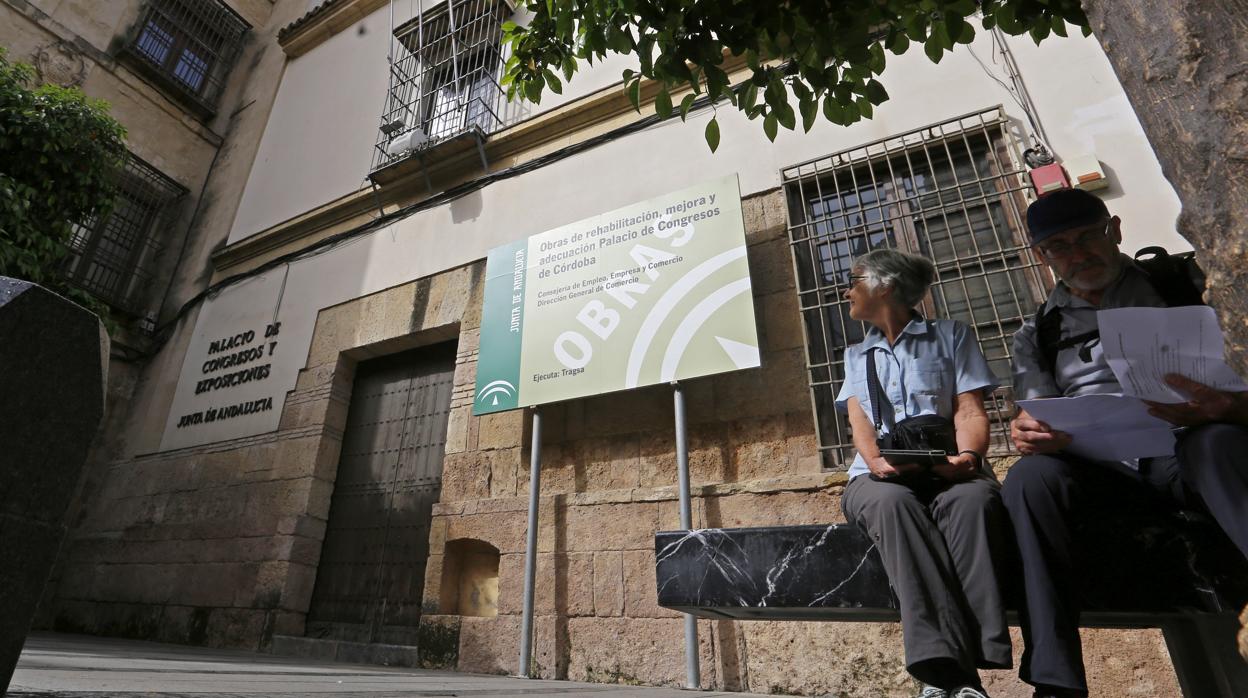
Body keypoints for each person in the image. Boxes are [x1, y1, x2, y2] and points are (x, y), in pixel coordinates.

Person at [1002, 187, 1248, 698]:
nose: (1079, 254)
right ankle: (1055, 679)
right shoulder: (1037, 333)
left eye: (1088, 236)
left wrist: (1229, 407)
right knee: (1029, 478)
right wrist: (1028, 432)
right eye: (1059, 246)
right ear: (1041, 257)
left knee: (1217, 442)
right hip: (1105, 473)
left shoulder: (1186, 284)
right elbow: (1035, 414)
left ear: (1114, 230)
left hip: (1192, 454)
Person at [837, 248, 1012, 698]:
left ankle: (967, 662)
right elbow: (860, 426)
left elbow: (970, 412)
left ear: (885, 285)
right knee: (893, 505)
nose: (846, 290)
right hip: (875, 477)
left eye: (854, 279)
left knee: (975, 502)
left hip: (948, 469)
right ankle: (947, 675)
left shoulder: (950, 336)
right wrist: (877, 462)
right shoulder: (857, 355)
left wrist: (969, 460)